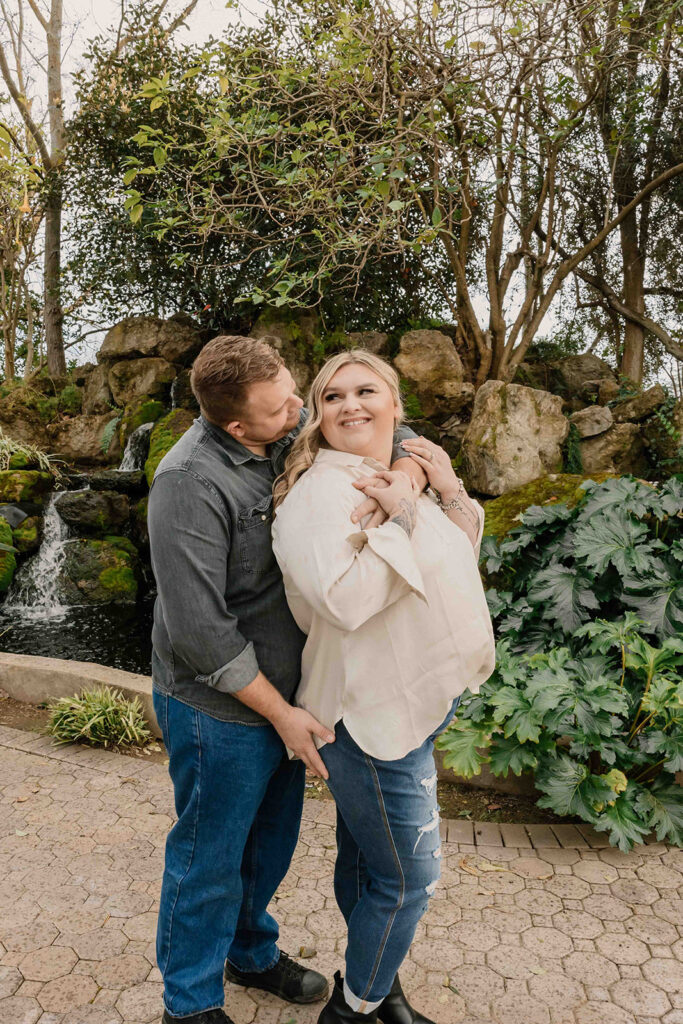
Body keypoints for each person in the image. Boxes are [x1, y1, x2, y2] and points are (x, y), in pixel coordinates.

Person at [147, 335, 425, 1024]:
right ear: (235, 425)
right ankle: (188, 1004)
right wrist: (280, 714)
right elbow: (199, 632)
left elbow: (388, 426)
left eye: (298, 394)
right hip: (222, 706)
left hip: (295, 695)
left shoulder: (285, 418)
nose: (302, 412)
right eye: (282, 409)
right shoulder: (187, 484)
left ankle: (249, 953)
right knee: (208, 858)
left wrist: (412, 477)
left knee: (269, 847)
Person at [271, 350, 496, 1024]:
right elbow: (343, 602)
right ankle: (356, 1008)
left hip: (404, 706)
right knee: (408, 878)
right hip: (369, 717)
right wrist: (398, 515)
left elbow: (452, 558)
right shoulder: (321, 495)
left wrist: (443, 490)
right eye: (332, 397)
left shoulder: (390, 477)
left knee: (371, 862)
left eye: (365, 391)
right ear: (316, 415)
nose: (349, 406)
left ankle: (379, 984)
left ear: (395, 405)